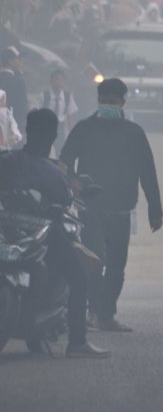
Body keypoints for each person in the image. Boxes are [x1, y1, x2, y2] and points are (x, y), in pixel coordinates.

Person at [0, 109, 110, 358]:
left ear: (27, 131)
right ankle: (77, 342)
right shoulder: (52, 174)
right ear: (53, 136)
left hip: (7, 232)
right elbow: (62, 204)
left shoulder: (8, 161)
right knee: (79, 278)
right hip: (43, 235)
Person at [60, 78, 163, 332]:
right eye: (104, 101)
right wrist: (72, 182)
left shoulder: (133, 133)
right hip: (90, 209)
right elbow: (64, 160)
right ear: (98, 101)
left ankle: (106, 315)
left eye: (113, 101)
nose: (108, 105)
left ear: (123, 103)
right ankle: (94, 311)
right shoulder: (84, 128)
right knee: (94, 263)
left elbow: (147, 171)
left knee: (117, 268)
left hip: (121, 210)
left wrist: (155, 209)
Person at [36, 69, 79, 153]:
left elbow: (70, 116)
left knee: (60, 151)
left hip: (60, 127)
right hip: (45, 126)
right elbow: (35, 112)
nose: (59, 83)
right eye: (57, 80)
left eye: (62, 80)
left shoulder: (67, 97)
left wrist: (73, 132)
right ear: (51, 81)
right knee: (43, 151)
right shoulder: (44, 96)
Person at [0, 45, 28, 125]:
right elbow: (22, 110)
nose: (20, 62)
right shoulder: (18, 81)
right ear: (11, 62)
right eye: (18, 59)